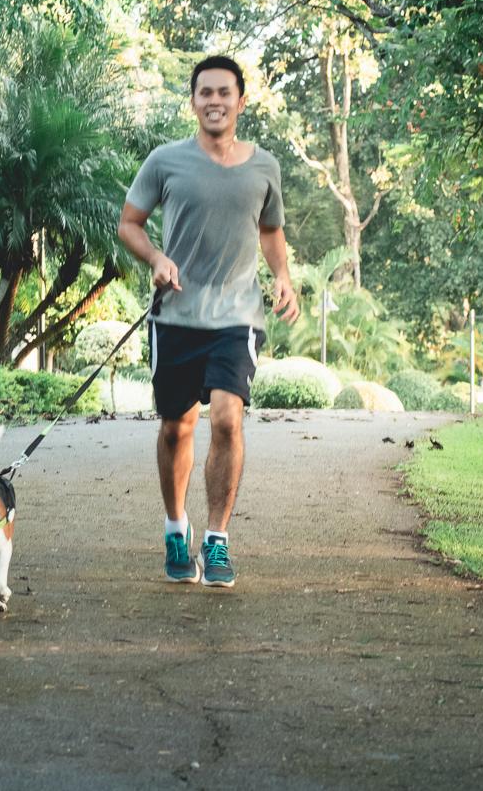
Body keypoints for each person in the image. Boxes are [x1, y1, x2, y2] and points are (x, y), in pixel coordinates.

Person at [117, 55, 299, 588]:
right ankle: (177, 528)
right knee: (177, 427)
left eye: (225, 93)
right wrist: (155, 259)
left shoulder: (265, 166)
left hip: (236, 316)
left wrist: (282, 275)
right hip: (175, 314)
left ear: (242, 102)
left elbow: (270, 230)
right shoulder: (165, 161)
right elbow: (130, 223)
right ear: (193, 101)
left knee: (226, 419)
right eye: (205, 93)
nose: (215, 101)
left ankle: (216, 541)